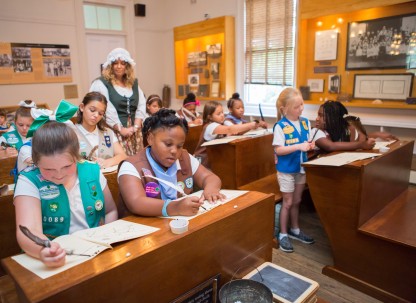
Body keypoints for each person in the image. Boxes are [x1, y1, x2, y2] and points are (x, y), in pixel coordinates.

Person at [14, 121, 118, 268]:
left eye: (67, 166)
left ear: (77, 157)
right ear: (36, 163)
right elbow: (28, 229)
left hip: (97, 254)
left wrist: (109, 237)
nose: (59, 175)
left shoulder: (92, 171)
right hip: (59, 259)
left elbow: (110, 210)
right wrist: (44, 249)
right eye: (48, 169)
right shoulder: (28, 180)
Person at [118, 108, 224, 217]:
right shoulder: (131, 166)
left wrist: (211, 190)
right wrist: (176, 207)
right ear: (150, 138)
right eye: (168, 144)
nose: (174, 151)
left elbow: (210, 178)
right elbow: (136, 202)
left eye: (179, 146)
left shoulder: (184, 157)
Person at [273, 88, 315, 253]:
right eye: (297, 106)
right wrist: (298, 146)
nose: (301, 109)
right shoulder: (280, 126)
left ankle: (295, 230)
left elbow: (307, 142)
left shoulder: (305, 122)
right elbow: (279, 150)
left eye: (302, 104)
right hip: (286, 171)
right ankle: (283, 233)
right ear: (285, 109)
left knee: (297, 201)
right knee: (288, 202)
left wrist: (310, 145)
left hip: (301, 169)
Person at [89, 47, 147, 156]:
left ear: (127, 66)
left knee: (137, 161)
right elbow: (105, 108)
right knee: (121, 162)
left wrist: (135, 127)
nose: (119, 66)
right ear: (110, 65)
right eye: (115, 63)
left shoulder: (133, 83)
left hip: (134, 130)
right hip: (114, 130)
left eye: (123, 63)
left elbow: (141, 104)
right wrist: (121, 129)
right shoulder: (101, 83)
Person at [193, 100, 263, 167]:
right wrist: (250, 125)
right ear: (210, 117)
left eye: (222, 112)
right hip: (202, 161)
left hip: (213, 159)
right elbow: (229, 129)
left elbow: (235, 128)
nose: (222, 115)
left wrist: (251, 127)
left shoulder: (223, 122)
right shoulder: (210, 126)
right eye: (218, 114)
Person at [312, 100, 396, 153]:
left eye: (321, 115)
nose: (317, 119)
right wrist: (362, 144)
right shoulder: (316, 132)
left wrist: (376, 135)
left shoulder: (344, 129)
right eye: (318, 115)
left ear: (334, 119)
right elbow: (331, 146)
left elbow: (354, 142)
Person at [74, 92, 127, 169]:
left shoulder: (107, 132)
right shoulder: (71, 133)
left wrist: (107, 162)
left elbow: (122, 155)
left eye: (100, 113)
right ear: (82, 107)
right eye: (92, 110)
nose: (96, 115)